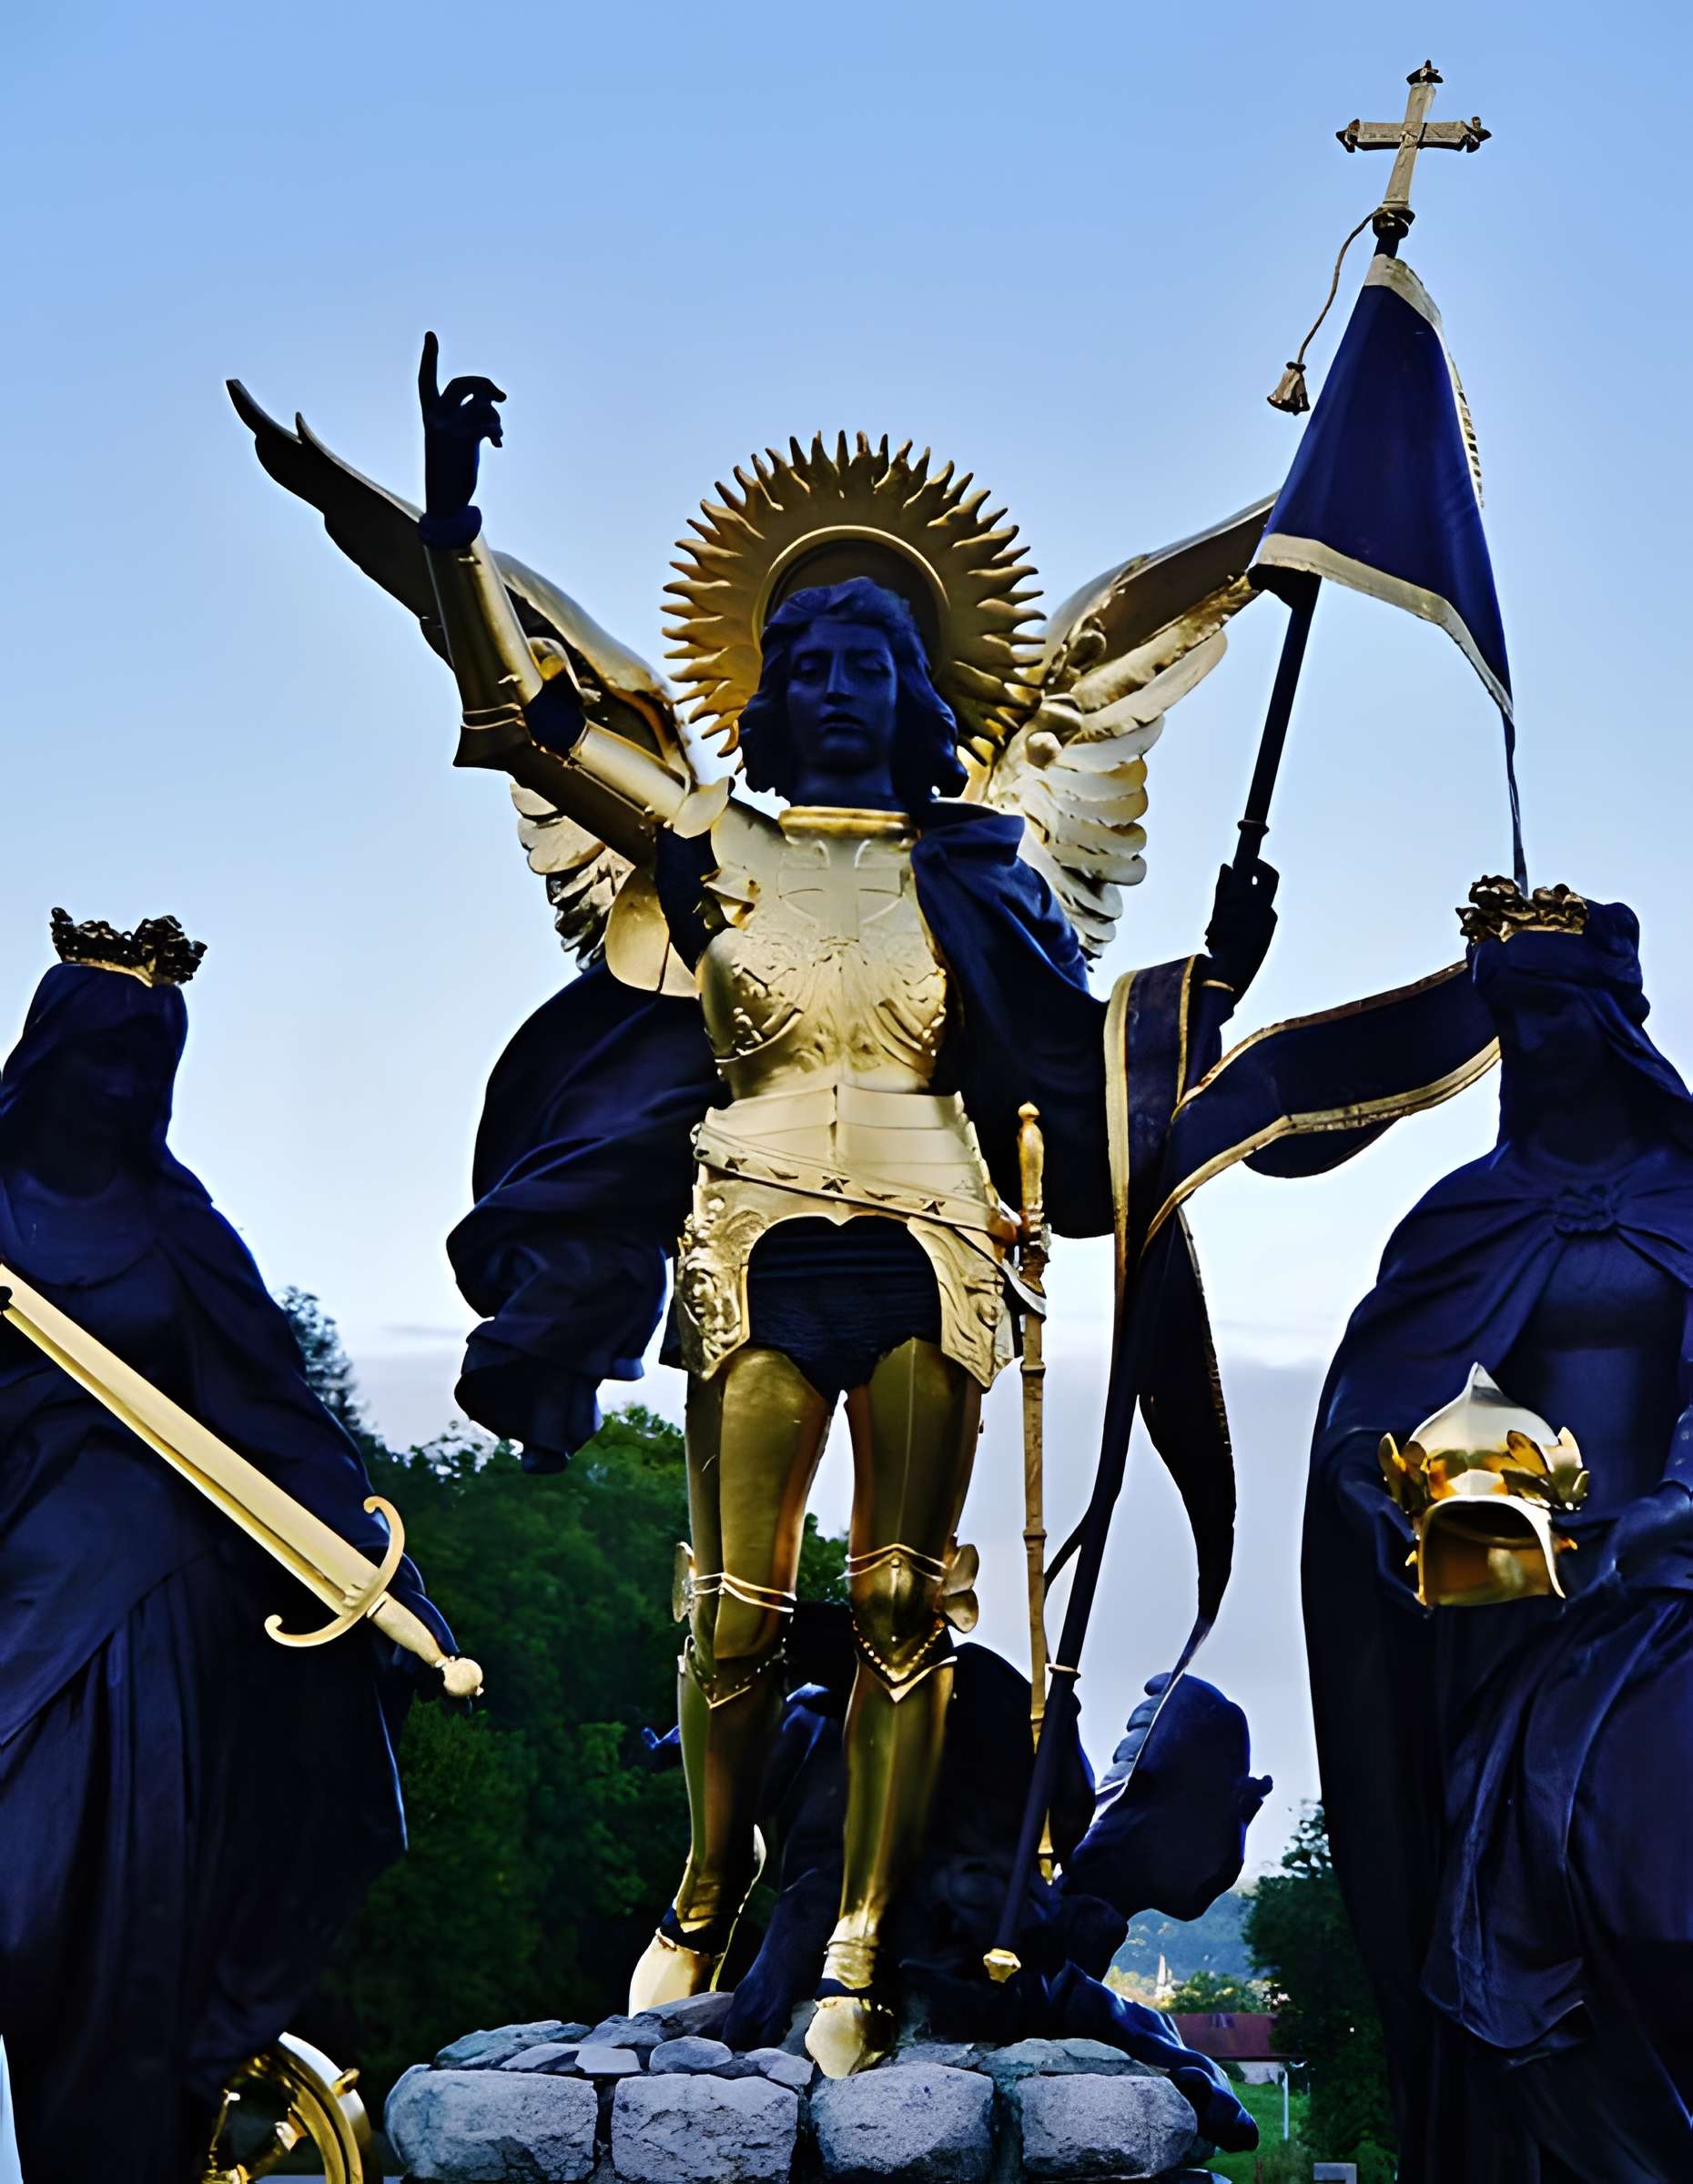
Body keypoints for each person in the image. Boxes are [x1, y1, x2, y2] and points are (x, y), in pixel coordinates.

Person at [0, 913, 456, 2184]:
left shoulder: (175, 1231)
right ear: (49, 1055)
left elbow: (281, 1430)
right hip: (17, 1593)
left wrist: (389, 1593)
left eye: (152, 1065)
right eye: (106, 1057)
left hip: (163, 1620)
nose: (125, 1086)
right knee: (21, 1906)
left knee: (124, 1938)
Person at [1307, 876, 1693, 2180]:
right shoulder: (1472, 1213)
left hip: (1677, 1585)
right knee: (1540, 1879)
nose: (1525, 1042)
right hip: (1525, 1611)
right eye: (1504, 1014)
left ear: (1612, 1020)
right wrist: (1394, 1488)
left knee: (1648, 1878)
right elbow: (1375, 1402)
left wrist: (1669, 1516)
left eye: (1548, 1011)